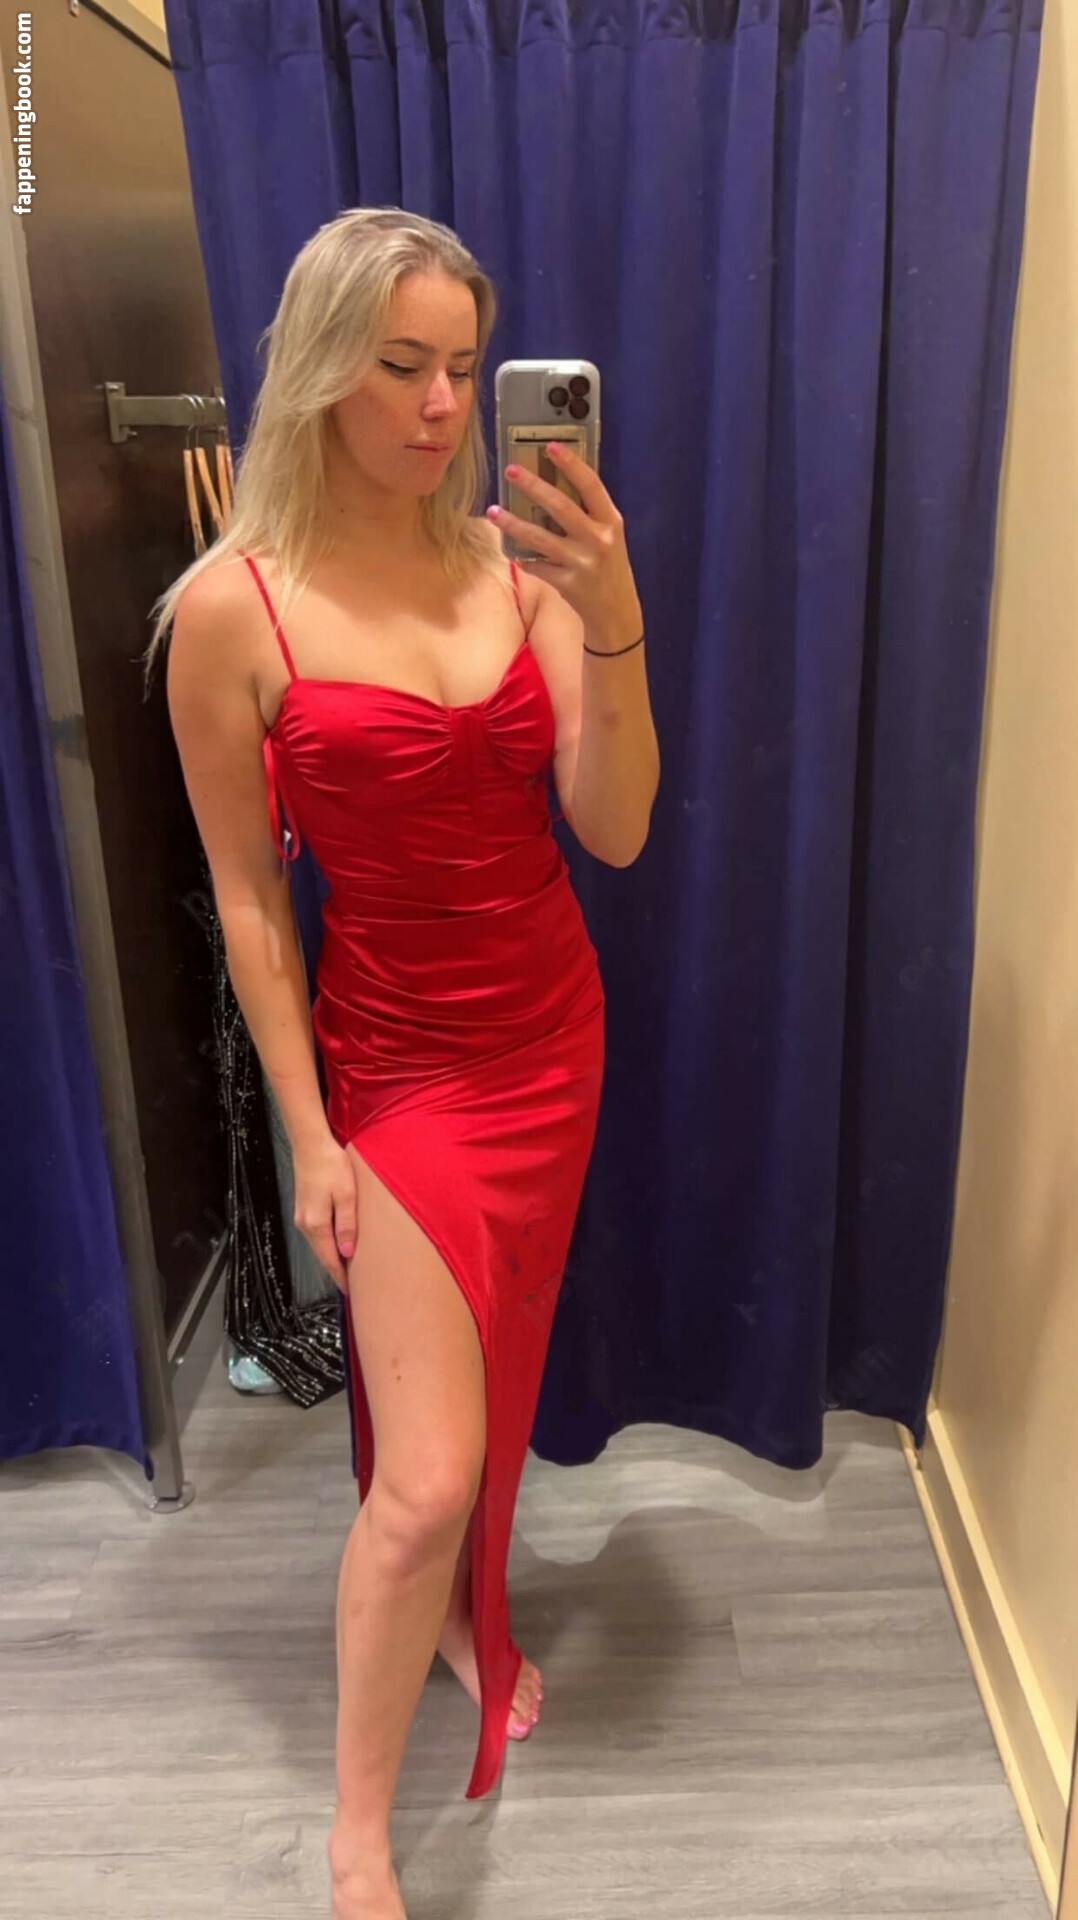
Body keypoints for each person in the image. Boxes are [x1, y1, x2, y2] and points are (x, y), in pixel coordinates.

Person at [149, 207, 659, 1920]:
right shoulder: (229, 612)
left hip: (550, 1037)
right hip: (399, 1069)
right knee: (426, 1469)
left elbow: (614, 827)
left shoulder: (519, 575)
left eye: (462, 368)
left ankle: (456, 1612)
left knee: (494, 1387)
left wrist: (610, 620)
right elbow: (248, 903)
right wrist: (307, 1135)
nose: (444, 406)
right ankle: (358, 1831)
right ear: (319, 368)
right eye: (401, 367)